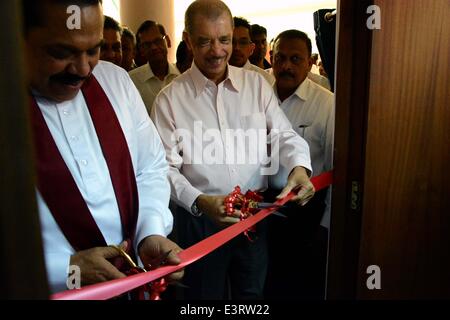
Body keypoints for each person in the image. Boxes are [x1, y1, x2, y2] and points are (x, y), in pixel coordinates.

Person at [151, 0, 314, 300]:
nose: (217, 50)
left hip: (253, 214)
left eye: (224, 40)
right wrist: (200, 201)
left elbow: (284, 135)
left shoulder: (256, 85)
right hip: (199, 220)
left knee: (251, 295)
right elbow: (164, 168)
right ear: (188, 40)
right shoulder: (169, 100)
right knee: (202, 297)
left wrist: (299, 168)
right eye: (205, 41)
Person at [23, 0, 183, 293]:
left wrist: (149, 232)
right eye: (62, 52)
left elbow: (150, 167)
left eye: (93, 50)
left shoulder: (116, 82)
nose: (83, 69)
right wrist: (67, 271)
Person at [266, 29, 334, 299]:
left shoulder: (327, 104)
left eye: (295, 59)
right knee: (265, 284)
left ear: (310, 61)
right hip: (262, 208)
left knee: (300, 287)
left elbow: (333, 168)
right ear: (271, 58)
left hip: (306, 212)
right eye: (280, 57)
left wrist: (325, 226)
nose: (286, 66)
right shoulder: (260, 98)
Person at [129, 21, 180, 115]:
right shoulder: (132, 81)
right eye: (147, 45)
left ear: (168, 41)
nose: (154, 47)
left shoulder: (181, 76)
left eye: (158, 41)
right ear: (141, 49)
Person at [229, 17, 274, 85]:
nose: (237, 48)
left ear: (251, 47)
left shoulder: (265, 80)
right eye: (231, 42)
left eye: (243, 42)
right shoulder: (213, 77)